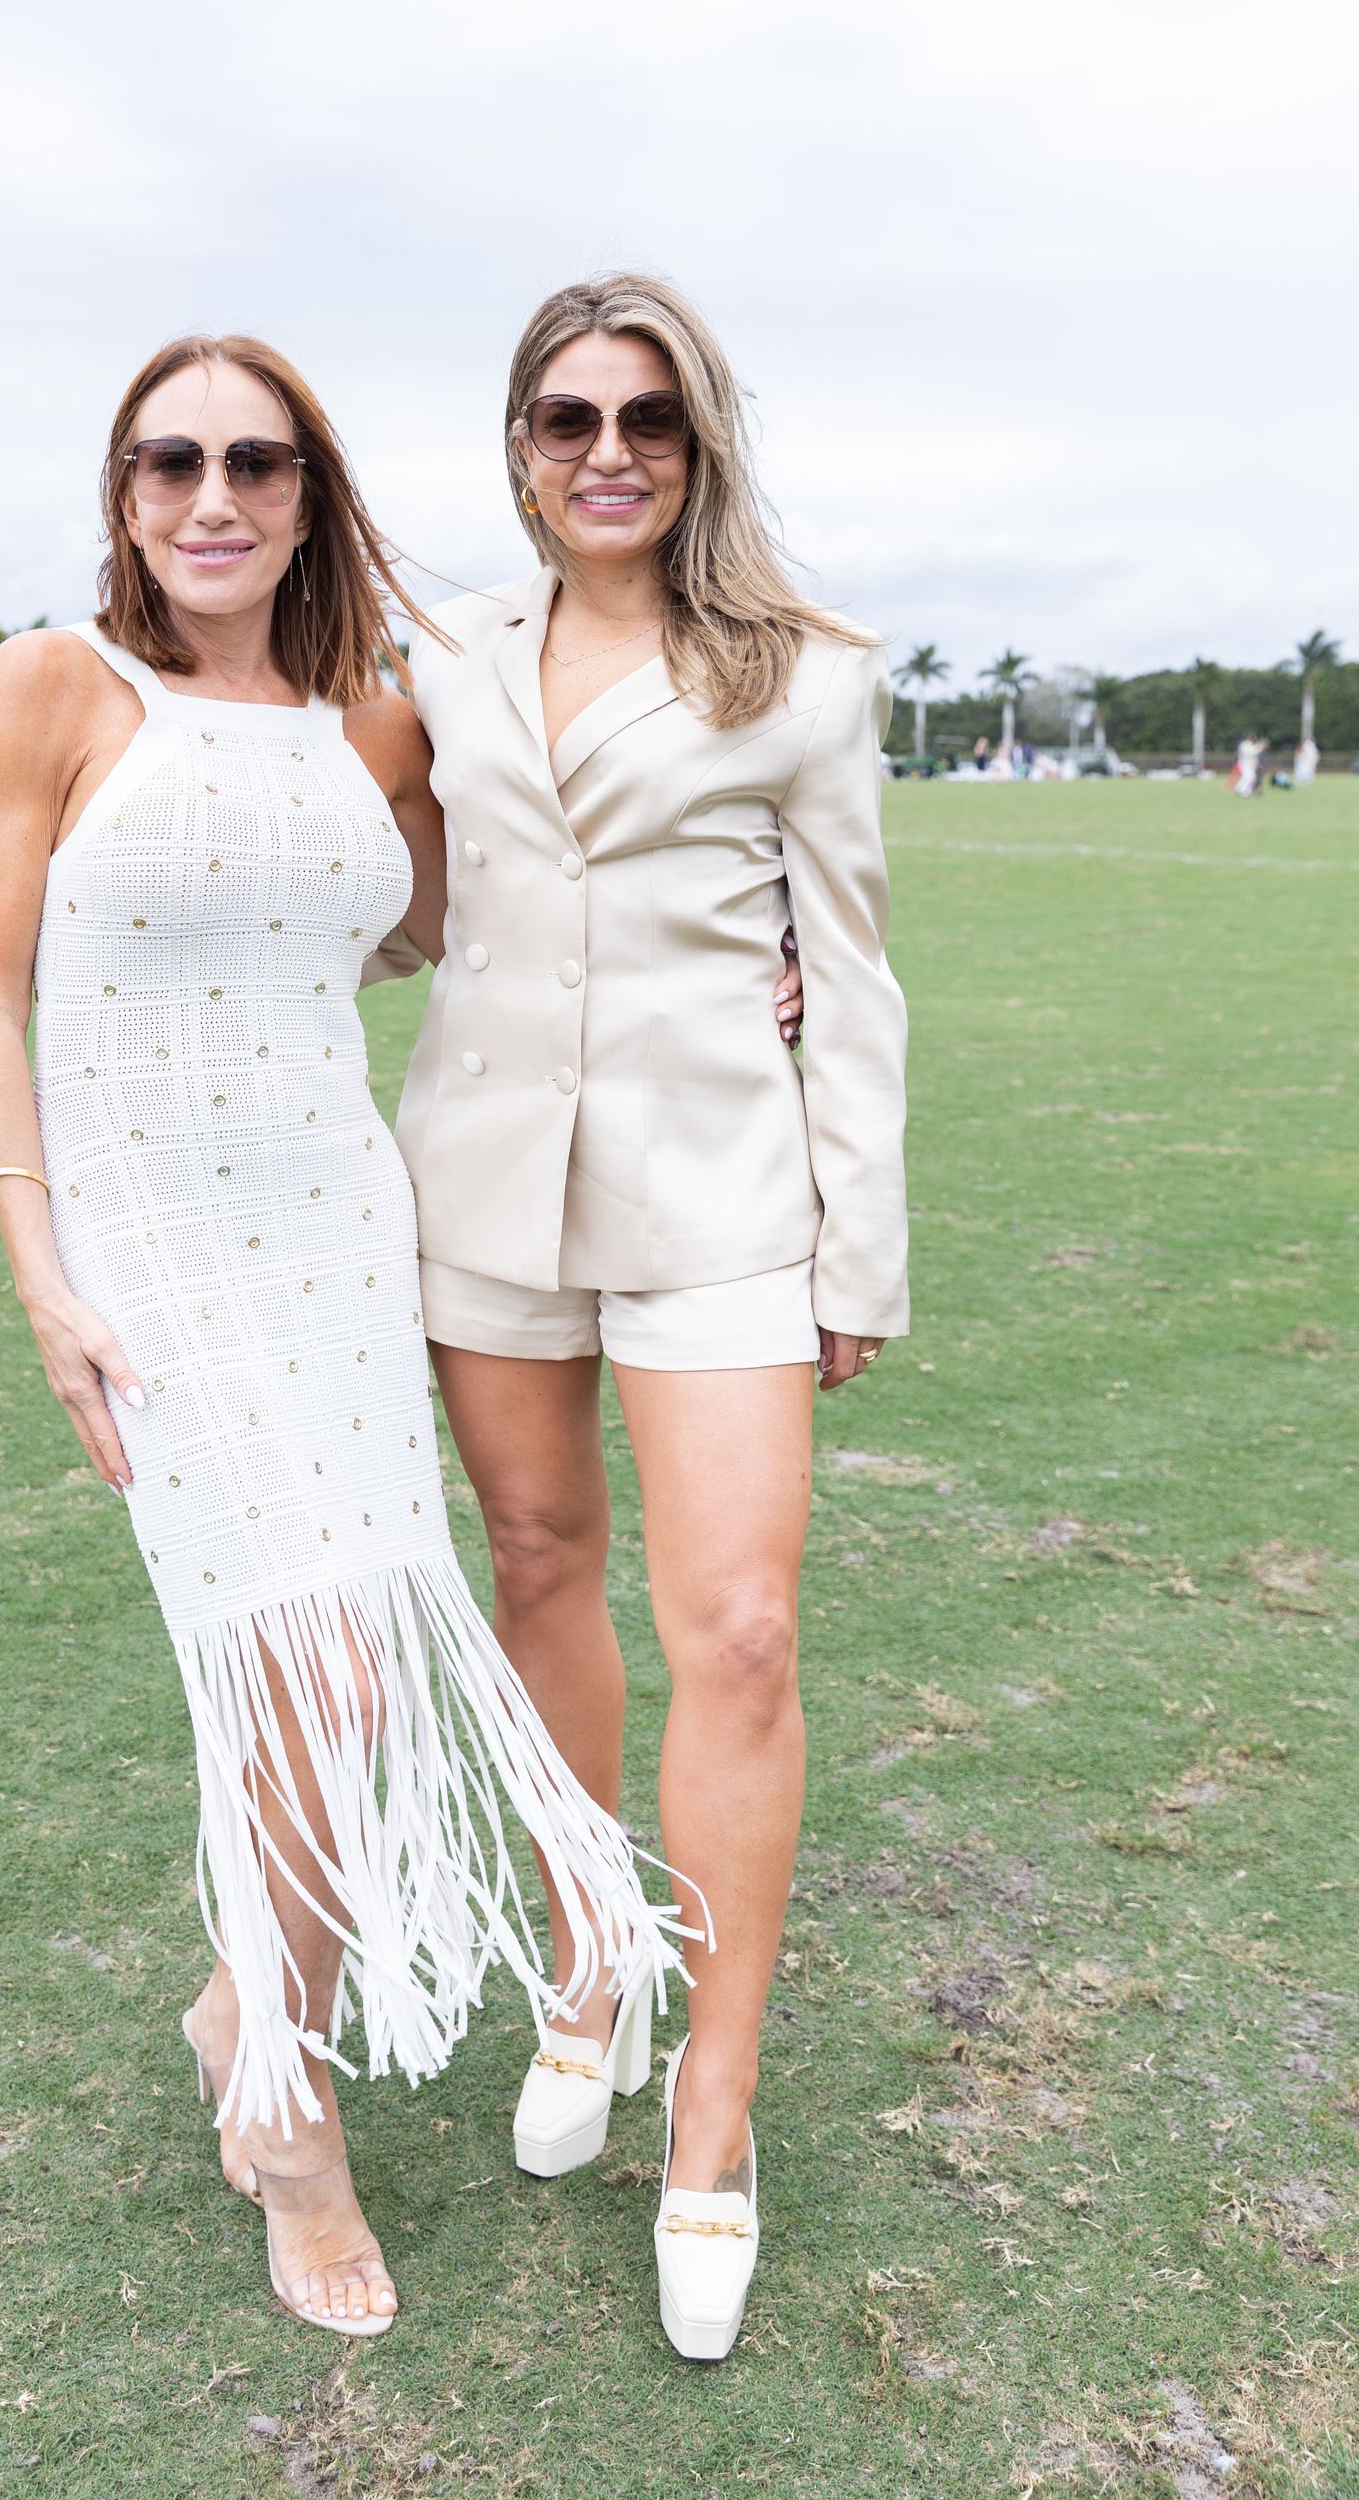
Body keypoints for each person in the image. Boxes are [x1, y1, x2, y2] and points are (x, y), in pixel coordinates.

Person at [0, 334, 686, 2341]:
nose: (213, 496)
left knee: (344, 1663)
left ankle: (238, 2013)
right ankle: (293, 2123)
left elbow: (477, 915)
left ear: (307, 490)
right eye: (171, 461)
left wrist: (747, 958)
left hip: (345, 1232)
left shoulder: (373, 728)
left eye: (256, 461)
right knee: (316, 1663)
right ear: (122, 493)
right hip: (154, 1257)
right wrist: (41, 1275)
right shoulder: (53, 690)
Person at [395, 273, 909, 2360]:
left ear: (698, 447)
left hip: (725, 1209)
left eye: (646, 420)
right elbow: (401, 894)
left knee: (744, 1631)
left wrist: (855, 1248)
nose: (603, 451)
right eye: (563, 417)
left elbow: (851, 973)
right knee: (535, 1565)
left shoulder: (804, 674)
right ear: (517, 446)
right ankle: (588, 1973)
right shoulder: (433, 650)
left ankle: (715, 2102)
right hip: (486, 1194)